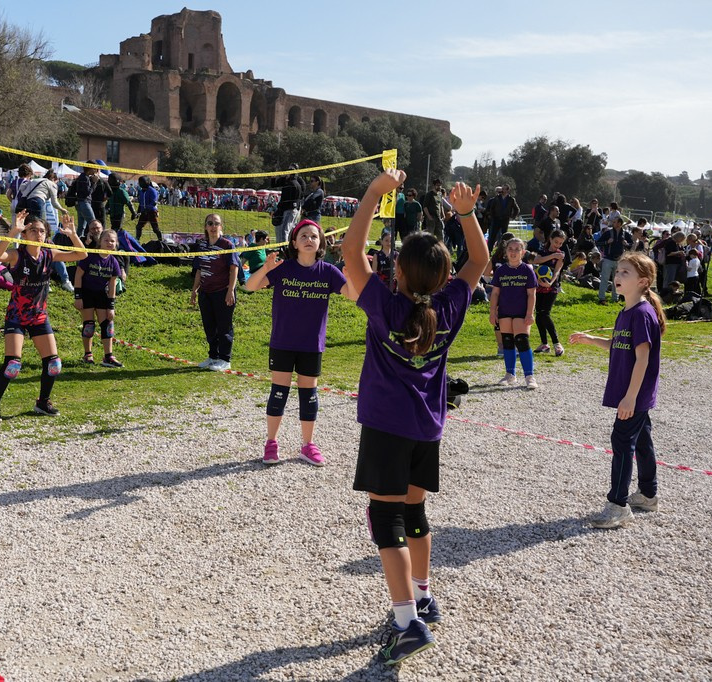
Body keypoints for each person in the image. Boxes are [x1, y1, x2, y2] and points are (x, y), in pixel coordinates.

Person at [341, 169, 488, 665]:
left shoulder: (384, 304)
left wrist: (373, 193)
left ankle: (407, 623)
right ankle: (422, 596)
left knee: (385, 517)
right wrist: (465, 215)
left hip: (386, 428)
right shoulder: (449, 306)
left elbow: (350, 252)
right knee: (415, 513)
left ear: (398, 274)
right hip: (427, 428)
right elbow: (480, 260)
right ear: (444, 279)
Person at [570, 252, 666, 529]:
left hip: (634, 393)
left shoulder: (642, 313)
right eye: (618, 271)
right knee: (642, 440)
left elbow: (643, 358)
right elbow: (618, 344)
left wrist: (630, 397)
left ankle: (618, 505)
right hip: (633, 393)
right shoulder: (626, 311)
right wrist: (590, 340)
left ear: (643, 281)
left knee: (622, 441)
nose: (617, 276)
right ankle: (648, 495)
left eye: (625, 273)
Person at [244, 219, 351, 467]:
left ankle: (307, 445)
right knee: (279, 393)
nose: (309, 239)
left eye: (314, 236)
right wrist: (266, 269)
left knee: (308, 394)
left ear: (321, 242)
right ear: (294, 242)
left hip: (311, 345)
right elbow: (250, 286)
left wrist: (351, 275)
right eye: (303, 235)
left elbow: (354, 295)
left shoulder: (328, 272)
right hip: (283, 342)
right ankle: (271, 443)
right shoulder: (283, 269)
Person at [0, 211, 86, 422]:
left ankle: (43, 402)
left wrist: (73, 234)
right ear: (25, 234)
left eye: (41, 231)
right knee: (12, 365)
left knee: (54, 363)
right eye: (33, 230)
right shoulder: (17, 254)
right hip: (17, 316)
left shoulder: (50, 254)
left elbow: (81, 255)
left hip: (39, 315)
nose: (38, 234)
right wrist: (13, 231)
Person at [190, 213, 240, 372]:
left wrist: (230, 290)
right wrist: (194, 290)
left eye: (216, 223)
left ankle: (225, 359)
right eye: (210, 223)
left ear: (221, 227)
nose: (213, 227)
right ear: (205, 227)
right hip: (205, 293)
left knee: (224, 326)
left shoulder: (227, 245)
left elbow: (234, 269)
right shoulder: (202, 246)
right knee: (209, 326)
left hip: (222, 291)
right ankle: (213, 356)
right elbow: (199, 270)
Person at [489, 238, 538, 389]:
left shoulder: (527, 270)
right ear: (505, 252)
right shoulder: (501, 271)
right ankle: (510, 375)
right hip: (504, 311)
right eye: (510, 248)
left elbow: (531, 294)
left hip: (521, 312)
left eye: (517, 249)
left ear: (523, 253)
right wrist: (492, 312)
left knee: (522, 342)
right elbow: (495, 293)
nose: (513, 252)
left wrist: (530, 313)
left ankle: (529, 377)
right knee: (508, 342)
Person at [73, 228, 124, 368]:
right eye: (106, 240)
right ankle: (87, 354)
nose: (109, 243)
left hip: (102, 295)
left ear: (116, 244)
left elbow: (113, 284)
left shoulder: (114, 262)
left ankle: (108, 356)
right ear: (100, 241)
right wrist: (78, 296)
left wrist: (111, 306)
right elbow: (78, 275)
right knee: (89, 326)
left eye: (112, 241)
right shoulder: (90, 256)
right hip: (87, 293)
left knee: (107, 326)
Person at [531, 229, 570, 356]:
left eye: (560, 243)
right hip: (539, 286)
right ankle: (544, 343)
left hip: (551, 287)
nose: (557, 245)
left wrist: (551, 282)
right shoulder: (542, 250)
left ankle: (557, 343)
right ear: (550, 239)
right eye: (556, 242)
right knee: (539, 314)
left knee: (545, 313)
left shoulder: (561, 255)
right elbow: (536, 260)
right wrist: (553, 255)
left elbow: (557, 271)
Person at [596, 216, 632, 305]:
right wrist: (606, 242)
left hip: (619, 260)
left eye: (615, 222)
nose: (613, 223)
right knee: (604, 279)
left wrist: (627, 244)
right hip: (608, 259)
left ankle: (615, 298)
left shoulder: (625, 234)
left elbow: (631, 244)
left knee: (617, 280)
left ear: (620, 223)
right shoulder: (608, 233)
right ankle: (601, 298)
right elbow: (597, 242)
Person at [271, 164, 303, 244]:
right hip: (284, 208)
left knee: (285, 230)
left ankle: (285, 249)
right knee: (280, 229)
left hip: (291, 208)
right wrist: (273, 176)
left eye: (291, 169)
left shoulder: (296, 182)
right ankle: (281, 247)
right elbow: (274, 184)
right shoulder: (286, 180)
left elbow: (300, 196)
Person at [485, 184, 519, 250]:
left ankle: (503, 250)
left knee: (504, 236)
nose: (502, 190)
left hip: (505, 219)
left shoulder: (511, 199)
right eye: (502, 189)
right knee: (492, 235)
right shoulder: (497, 198)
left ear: (508, 190)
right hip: (496, 219)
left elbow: (517, 209)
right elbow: (491, 208)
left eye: (504, 189)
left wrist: (512, 216)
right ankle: (489, 250)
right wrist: (492, 216)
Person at [134, 175, 162, 243]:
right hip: (144, 212)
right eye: (139, 182)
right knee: (138, 226)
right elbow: (140, 203)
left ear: (147, 182)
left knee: (155, 228)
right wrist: (138, 212)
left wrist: (147, 208)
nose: (140, 183)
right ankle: (137, 239)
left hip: (152, 212)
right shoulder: (141, 191)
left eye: (142, 182)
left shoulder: (152, 190)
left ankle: (161, 240)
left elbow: (154, 202)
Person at [69, 166, 95, 234]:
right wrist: (94, 183)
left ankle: (78, 242)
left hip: (80, 203)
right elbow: (87, 192)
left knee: (81, 227)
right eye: (94, 168)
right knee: (94, 224)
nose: (95, 171)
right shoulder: (84, 178)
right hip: (84, 203)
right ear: (90, 169)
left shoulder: (82, 177)